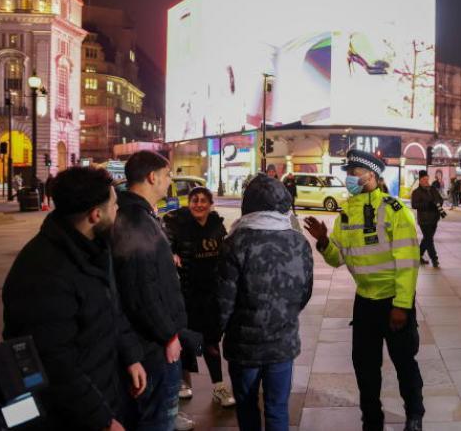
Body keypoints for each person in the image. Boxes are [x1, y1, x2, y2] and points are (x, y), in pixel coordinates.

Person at [2, 166, 146, 431]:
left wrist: (131, 355)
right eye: (114, 205)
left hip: (104, 389)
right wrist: (101, 421)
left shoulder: (93, 248)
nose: (118, 211)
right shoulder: (43, 273)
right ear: (95, 215)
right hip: (71, 416)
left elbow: (111, 308)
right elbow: (56, 365)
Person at [304, 150, 424, 431]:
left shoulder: (395, 210)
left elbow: (408, 263)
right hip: (365, 302)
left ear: (372, 175)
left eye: (354, 172)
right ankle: (371, 420)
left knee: (404, 362)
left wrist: (402, 305)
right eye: (349, 173)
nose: (349, 178)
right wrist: (323, 242)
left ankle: (415, 415)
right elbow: (338, 259)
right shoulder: (346, 214)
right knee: (365, 367)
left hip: (394, 301)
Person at [214, 174, 314, 431]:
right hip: (283, 344)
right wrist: (283, 315)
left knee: (247, 409)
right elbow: (304, 293)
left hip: (244, 347)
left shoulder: (235, 243)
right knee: (278, 409)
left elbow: (224, 301)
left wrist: (212, 334)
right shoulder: (299, 242)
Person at [112, 151, 193, 431]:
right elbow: (139, 289)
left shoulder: (135, 214)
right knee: (157, 420)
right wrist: (168, 334)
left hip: (146, 342)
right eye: (168, 175)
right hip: (153, 347)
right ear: (152, 176)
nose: (169, 181)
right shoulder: (136, 220)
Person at [162, 187, 236, 408]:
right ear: (189, 202)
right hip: (186, 293)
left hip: (211, 294)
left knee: (212, 342)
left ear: (210, 203)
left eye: (204, 201)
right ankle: (183, 383)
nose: (199, 205)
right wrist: (172, 255)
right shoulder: (177, 224)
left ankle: (219, 386)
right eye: (195, 200)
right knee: (186, 340)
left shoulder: (216, 225)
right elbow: (166, 243)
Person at [411, 170, 445, 268]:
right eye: (424, 179)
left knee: (427, 239)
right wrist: (428, 204)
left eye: (427, 179)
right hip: (424, 220)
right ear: (420, 180)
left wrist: (438, 203)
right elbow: (414, 205)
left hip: (434, 218)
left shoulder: (433, 189)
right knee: (429, 239)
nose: (426, 181)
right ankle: (434, 259)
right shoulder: (416, 192)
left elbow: (440, 199)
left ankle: (418, 256)